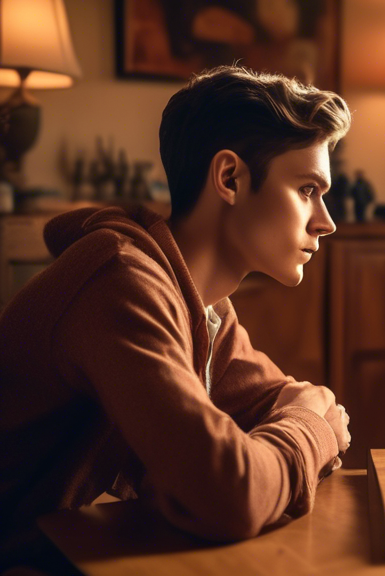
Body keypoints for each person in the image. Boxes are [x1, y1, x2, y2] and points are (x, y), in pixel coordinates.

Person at [0, 65, 352, 569]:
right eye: (307, 190)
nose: (327, 221)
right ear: (229, 177)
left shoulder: (203, 308)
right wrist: (309, 429)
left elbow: (281, 403)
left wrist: (299, 420)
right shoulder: (120, 282)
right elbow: (229, 494)